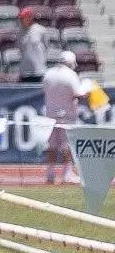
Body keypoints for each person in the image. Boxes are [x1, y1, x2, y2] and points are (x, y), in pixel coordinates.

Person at [42, 50, 89, 185]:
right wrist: (88, 92)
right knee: (66, 146)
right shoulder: (71, 75)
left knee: (51, 145)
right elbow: (78, 94)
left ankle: (50, 174)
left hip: (50, 115)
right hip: (66, 115)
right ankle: (67, 174)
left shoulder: (48, 74)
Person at [17, 8, 55, 84]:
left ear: (30, 18)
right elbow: (20, 48)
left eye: (24, 18)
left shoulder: (40, 30)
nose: (22, 20)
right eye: (21, 18)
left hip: (39, 71)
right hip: (25, 72)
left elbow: (46, 46)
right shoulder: (20, 32)